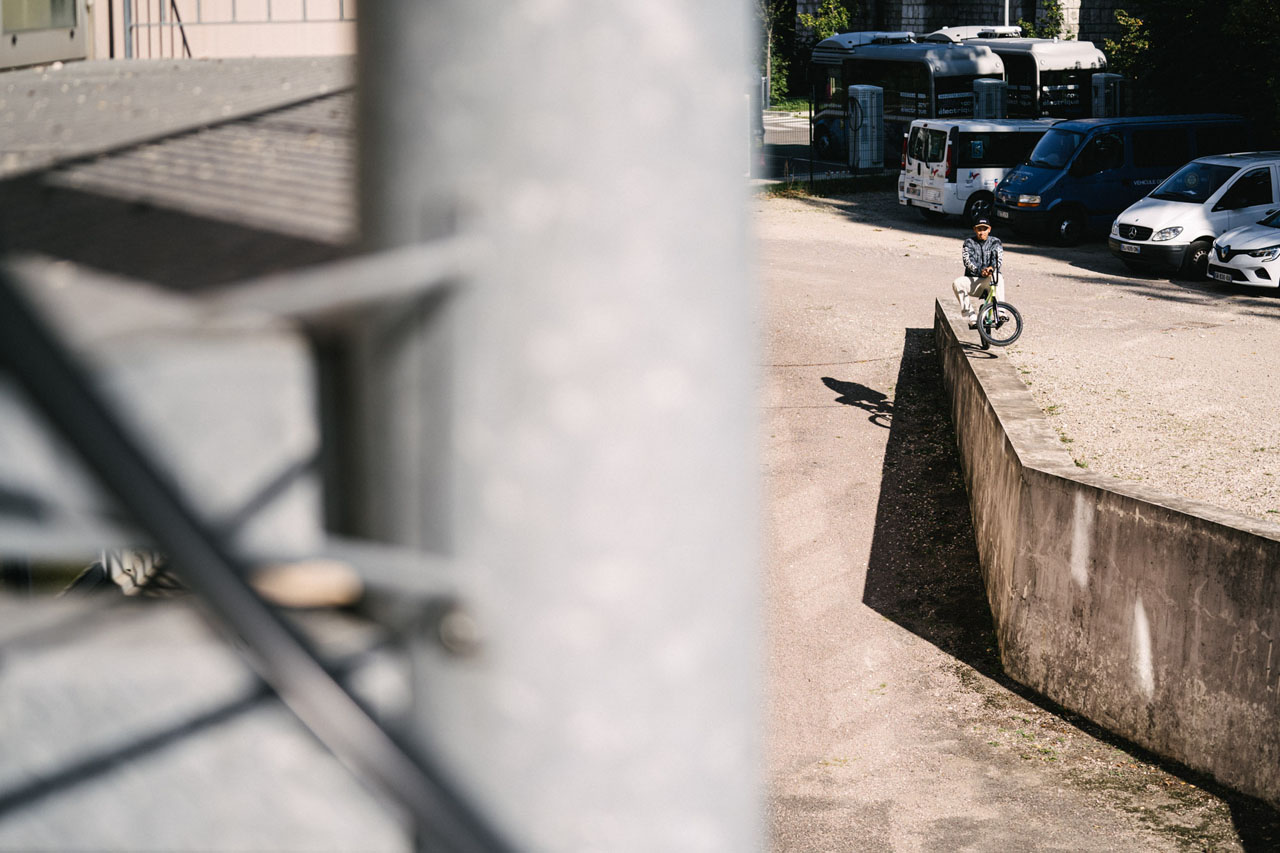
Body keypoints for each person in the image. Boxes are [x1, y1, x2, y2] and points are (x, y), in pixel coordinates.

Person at [953, 217, 1005, 328]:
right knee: (957, 283)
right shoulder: (968, 242)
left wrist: (991, 268)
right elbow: (967, 261)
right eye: (979, 229)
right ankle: (971, 316)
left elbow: (998, 259)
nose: (981, 232)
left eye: (984, 229)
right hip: (974, 280)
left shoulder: (995, 242)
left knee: (998, 276)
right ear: (975, 230)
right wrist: (980, 271)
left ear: (989, 229)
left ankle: (1000, 312)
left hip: (989, 281)